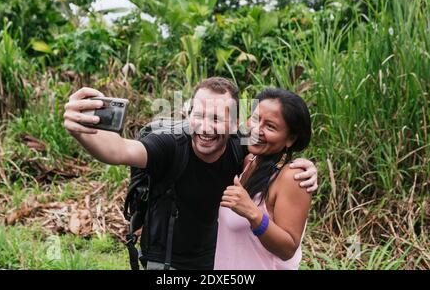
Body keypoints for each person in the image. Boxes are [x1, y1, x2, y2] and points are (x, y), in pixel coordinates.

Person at [63, 77, 318, 270]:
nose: (206, 127)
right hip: (166, 260)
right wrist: (80, 130)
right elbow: (119, 150)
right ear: (188, 114)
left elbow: (277, 159)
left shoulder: (241, 148)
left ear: (232, 124)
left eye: (217, 118)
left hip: (213, 260)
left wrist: (304, 165)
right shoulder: (171, 144)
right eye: (199, 115)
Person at [215, 88, 312, 270]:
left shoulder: (292, 178)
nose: (256, 130)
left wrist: (254, 214)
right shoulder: (248, 162)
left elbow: (287, 249)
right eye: (255, 118)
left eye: (270, 126)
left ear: (290, 139)